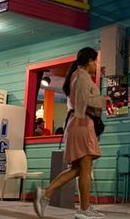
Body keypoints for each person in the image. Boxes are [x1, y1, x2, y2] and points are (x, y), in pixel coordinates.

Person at [34, 47, 111, 219]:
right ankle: (83, 209)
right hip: (82, 124)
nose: (96, 65)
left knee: (77, 168)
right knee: (84, 167)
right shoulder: (82, 75)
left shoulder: (77, 75)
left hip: (79, 124)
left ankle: (46, 194)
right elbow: (83, 101)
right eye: (95, 61)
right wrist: (104, 100)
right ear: (90, 60)